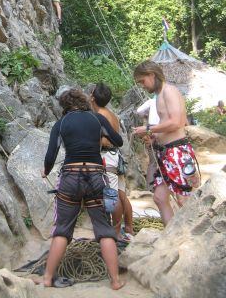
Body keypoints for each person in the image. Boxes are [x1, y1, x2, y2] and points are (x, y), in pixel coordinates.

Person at [36, 88, 124, 290]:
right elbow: (118, 141)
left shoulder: (62, 123)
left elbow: (51, 153)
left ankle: (47, 278)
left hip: (70, 177)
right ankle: (116, 281)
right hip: (96, 175)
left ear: (65, 106)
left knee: (63, 228)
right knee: (104, 228)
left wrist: (46, 170)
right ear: (84, 102)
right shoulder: (97, 119)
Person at [133, 60, 199, 225]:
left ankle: (190, 235)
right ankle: (171, 236)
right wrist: (155, 137)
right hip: (164, 152)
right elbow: (167, 124)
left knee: (184, 199)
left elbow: (177, 122)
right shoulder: (159, 95)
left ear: (152, 75)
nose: (142, 85)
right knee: (160, 198)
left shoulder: (169, 91)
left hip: (177, 152)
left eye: (143, 81)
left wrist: (149, 129)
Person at [90, 82, 134, 241]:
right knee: (121, 194)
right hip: (115, 156)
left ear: (92, 97)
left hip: (107, 157)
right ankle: (128, 227)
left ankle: (115, 233)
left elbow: (105, 141)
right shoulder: (111, 114)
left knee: (112, 195)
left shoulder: (101, 115)